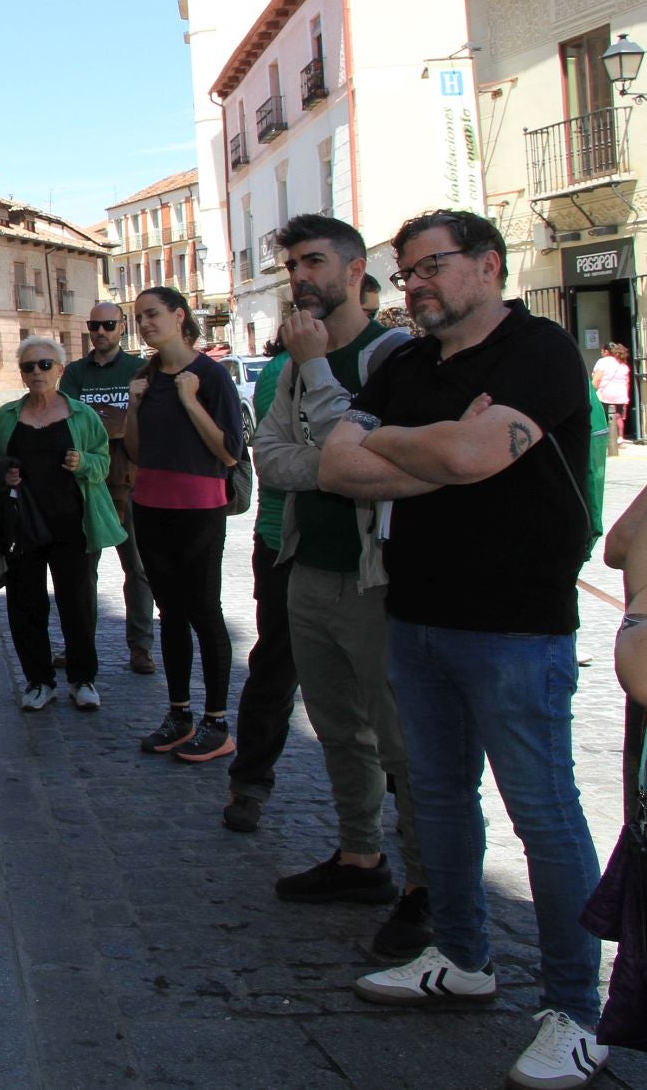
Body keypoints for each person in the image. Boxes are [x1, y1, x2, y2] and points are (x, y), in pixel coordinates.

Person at [321, 210, 605, 1090]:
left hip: (517, 625)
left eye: (431, 267)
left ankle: (575, 1012)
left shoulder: (541, 349)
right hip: (419, 614)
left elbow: (481, 454)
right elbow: (336, 464)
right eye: (407, 273)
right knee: (439, 800)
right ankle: (462, 955)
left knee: (543, 815)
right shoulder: (404, 361)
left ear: (488, 265)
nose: (416, 285)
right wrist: (437, 449)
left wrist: (414, 449)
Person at [252, 214, 427, 961]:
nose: (300, 277)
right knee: (335, 726)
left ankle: (428, 885)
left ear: (357, 269)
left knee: (403, 740)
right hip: (307, 566)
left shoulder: (394, 355)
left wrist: (320, 382)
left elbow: (354, 462)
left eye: (314, 261)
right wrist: (326, 459)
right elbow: (272, 457)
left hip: (374, 577)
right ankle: (361, 857)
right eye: (292, 264)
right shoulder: (295, 357)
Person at [126, 285, 246, 762]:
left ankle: (217, 723)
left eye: (152, 314)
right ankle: (179, 714)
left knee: (203, 610)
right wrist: (134, 405)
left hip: (199, 507)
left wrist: (191, 400)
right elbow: (135, 452)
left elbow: (231, 451)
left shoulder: (211, 377)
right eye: (139, 317)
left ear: (180, 316)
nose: (145, 324)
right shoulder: (145, 376)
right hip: (151, 505)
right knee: (170, 613)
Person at [0, 335, 125, 712]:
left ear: (60, 370)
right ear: (23, 374)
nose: (37, 372)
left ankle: (82, 678)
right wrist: (3, 476)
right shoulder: (8, 416)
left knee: (77, 603)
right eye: (29, 366)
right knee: (26, 606)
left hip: (71, 524)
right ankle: (38, 681)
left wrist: (85, 464)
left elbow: (103, 461)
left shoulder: (82, 415)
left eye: (45, 365)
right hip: (23, 527)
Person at [222, 337, 296, 833]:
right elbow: (282, 459)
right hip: (282, 543)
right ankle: (249, 783)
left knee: (380, 687)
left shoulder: (386, 354)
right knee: (274, 670)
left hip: (364, 554)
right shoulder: (281, 372)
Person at [60, 300, 157, 675]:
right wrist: (118, 423)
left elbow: (145, 423)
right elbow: (69, 421)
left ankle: (141, 647)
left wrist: (104, 424)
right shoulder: (75, 372)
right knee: (82, 571)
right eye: (94, 325)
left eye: (108, 325)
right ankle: (80, 647)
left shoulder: (140, 369)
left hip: (133, 482)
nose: (100, 332)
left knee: (138, 567)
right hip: (87, 483)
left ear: (121, 327)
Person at [595, 341, 630, 457]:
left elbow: (597, 379)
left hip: (605, 394)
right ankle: (620, 439)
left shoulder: (602, 362)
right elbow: (627, 382)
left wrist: (592, 389)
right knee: (618, 417)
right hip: (620, 395)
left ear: (605, 351)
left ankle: (606, 440)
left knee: (603, 418)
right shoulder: (622, 364)